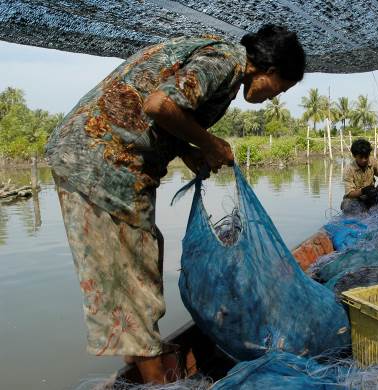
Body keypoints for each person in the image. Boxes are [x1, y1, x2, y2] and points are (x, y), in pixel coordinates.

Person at [45, 25, 305, 383]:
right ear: (271, 71)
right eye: (282, 88)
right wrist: (210, 144)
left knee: (141, 265)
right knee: (134, 281)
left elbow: (162, 111)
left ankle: (141, 357)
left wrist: (189, 151)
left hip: (103, 162)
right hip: (100, 164)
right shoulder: (226, 61)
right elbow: (159, 104)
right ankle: (152, 375)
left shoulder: (219, 60)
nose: (276, 96)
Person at [341, 139, 378, 214]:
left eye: (366, 157)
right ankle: (363, 212)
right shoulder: (348, 169)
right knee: (346, 205)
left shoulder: (372, 161)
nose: (364, 160)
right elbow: (349, 193)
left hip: (373, 194)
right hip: (358, 198)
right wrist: (363, 191)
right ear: (354, 156)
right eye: (361, 157)